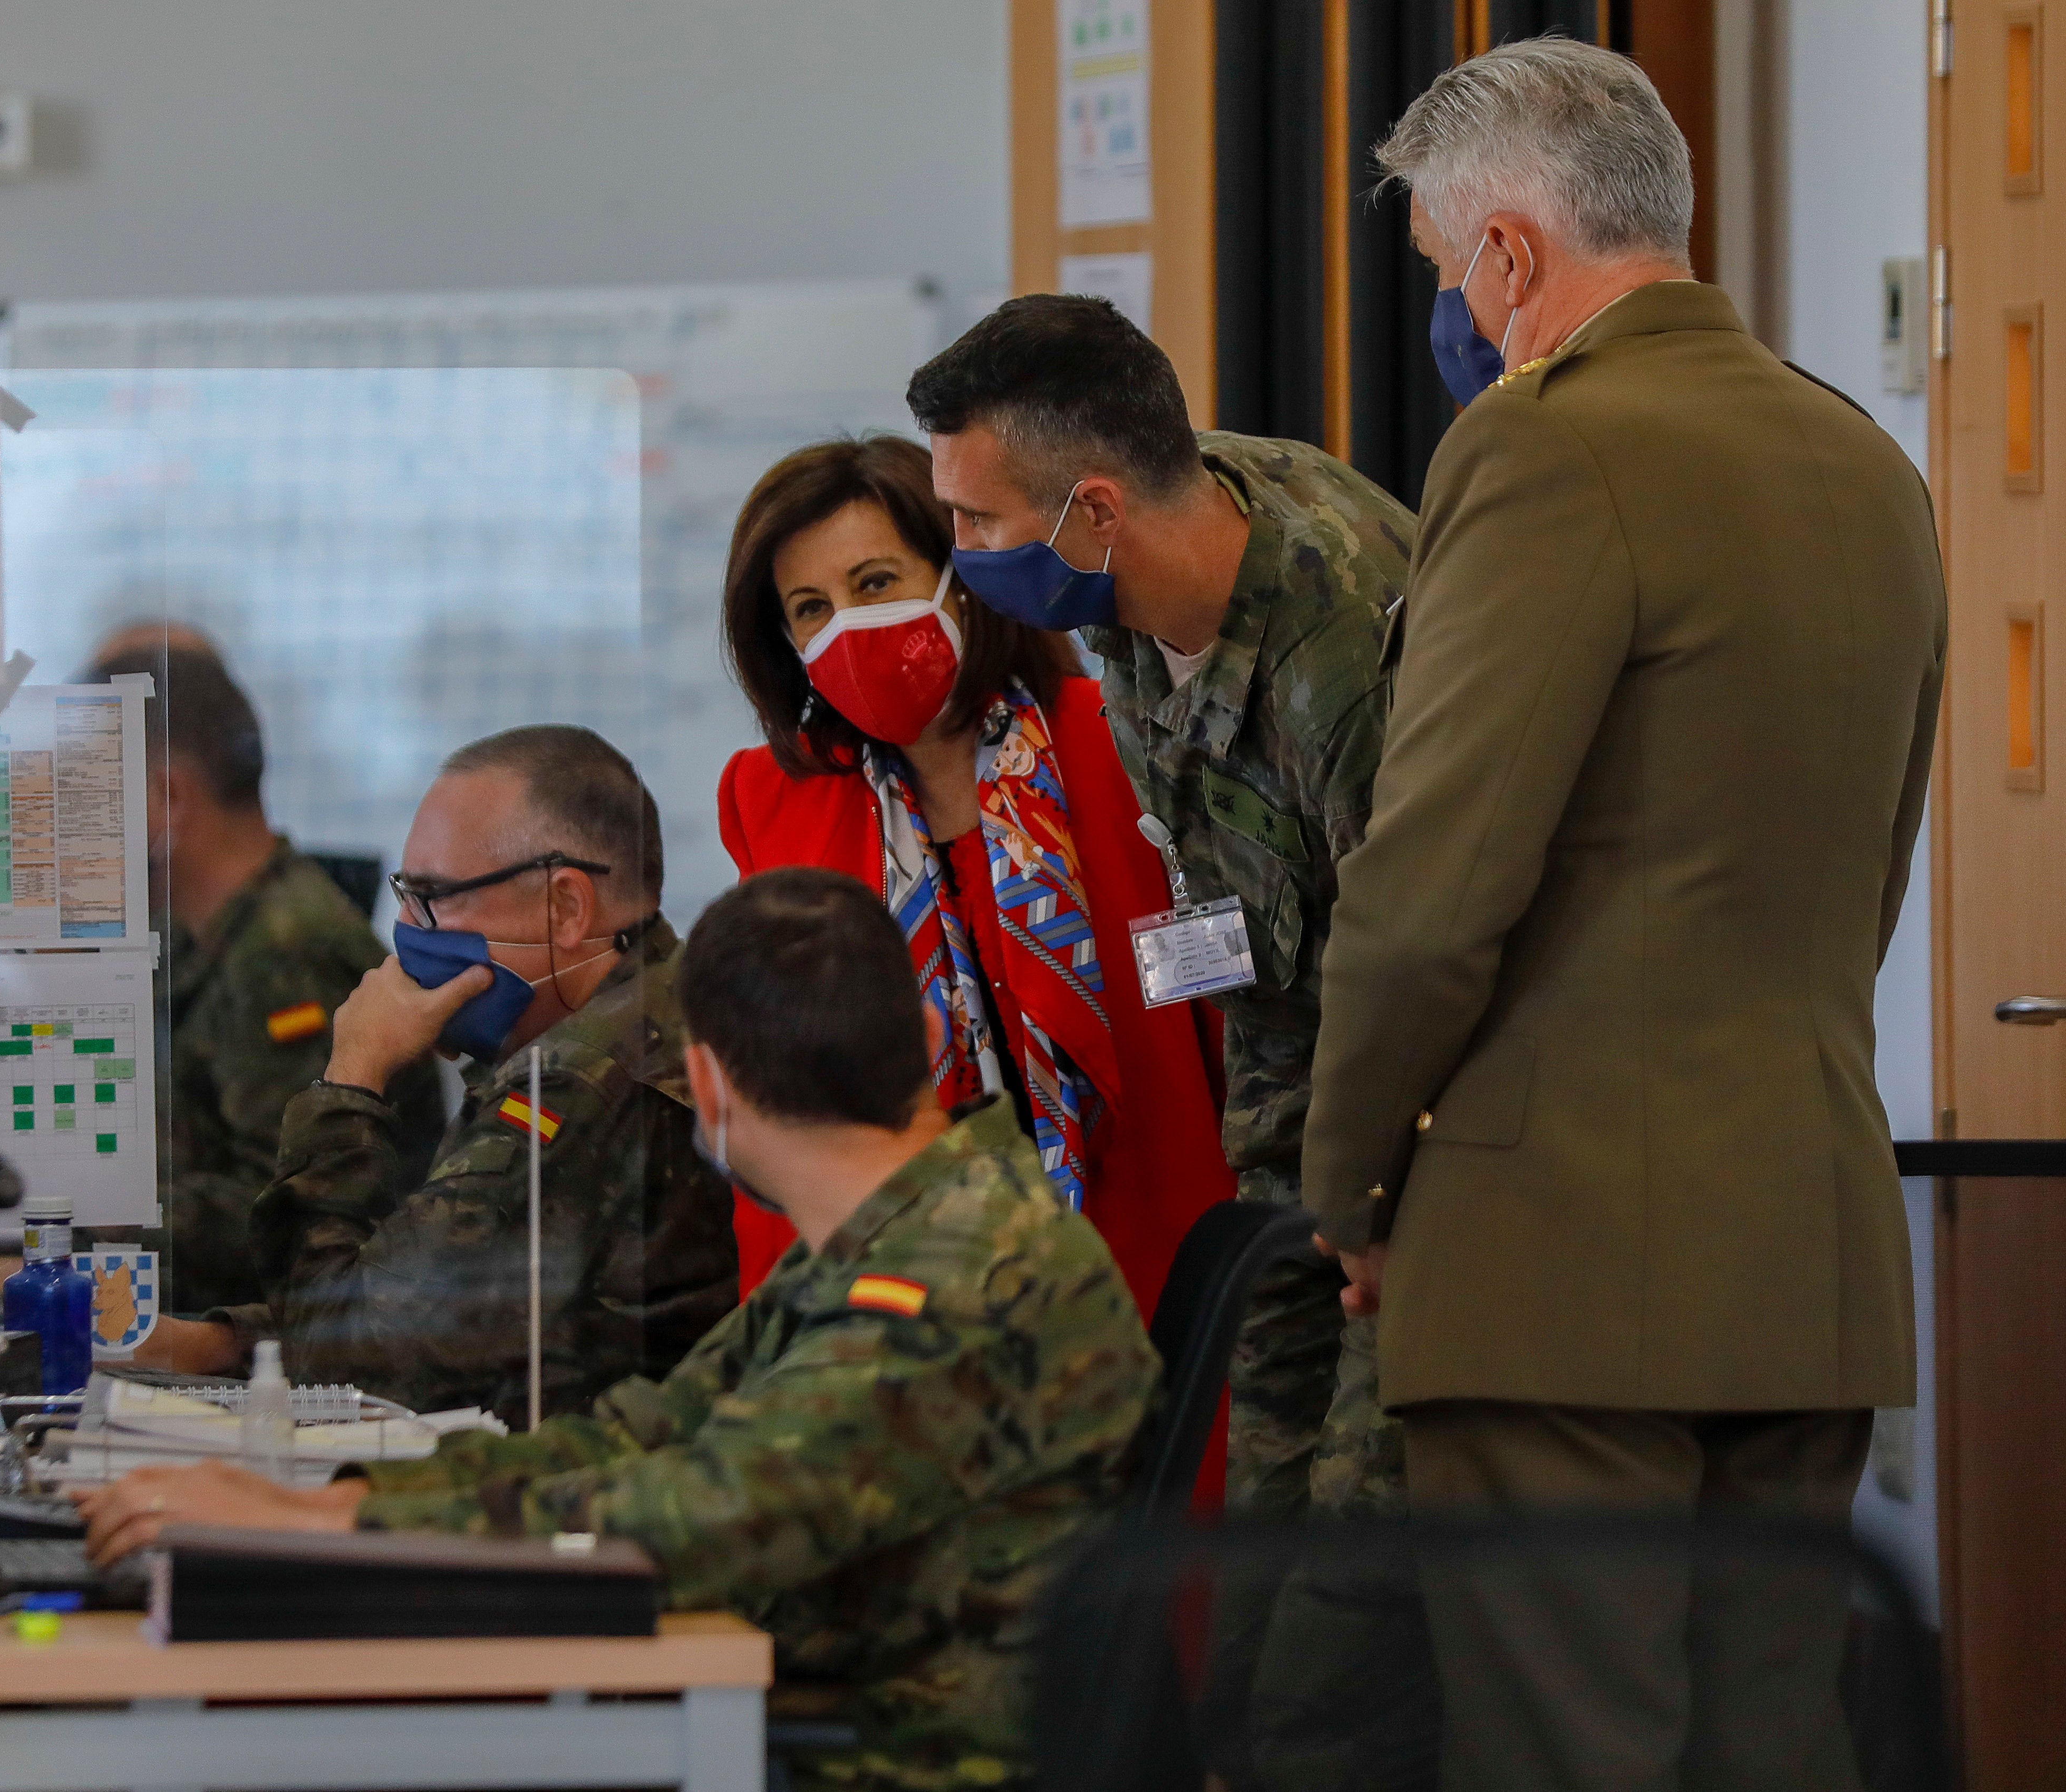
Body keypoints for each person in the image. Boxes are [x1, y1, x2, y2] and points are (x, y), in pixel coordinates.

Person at [1306, 40, 1944, 1790]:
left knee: (1564, 1754)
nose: (1456, 313)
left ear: (1511, 259)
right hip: (1804, 1239)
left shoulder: (1543, 446)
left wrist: (1355, 1186)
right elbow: (1870, 871)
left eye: (1449, 272)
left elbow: (1432, 889)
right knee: (1773, 1750)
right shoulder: (1864, 463)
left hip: (1559, 1251)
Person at [80, 866, 1161, 1791]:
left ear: (706, 1084)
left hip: (890, 1754)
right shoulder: (895, 1228)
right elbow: (641, 1434)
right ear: (927, 1035)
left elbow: (700, 1515)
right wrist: (327, 1503)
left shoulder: (953, 1274)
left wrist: (317, 1537)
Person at [908, 294, 1431, 1786]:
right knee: (1238, 1592)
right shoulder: (1129, 582)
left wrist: (1364, 1208)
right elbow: (1234, 926)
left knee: (1341, 1637)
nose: (961, 559)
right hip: (1286, 1163)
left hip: (1415, 1188)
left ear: (1089, 507)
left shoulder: (1349, 653)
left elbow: (1431, 966)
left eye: (971, 517)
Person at [713, 434, 1232, 1320]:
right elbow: (780, 1097)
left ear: (966, 576)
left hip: (1147, 1277)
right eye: (810, 608)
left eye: (875, 583)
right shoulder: (769, 802)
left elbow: (1229, 1026)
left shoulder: (1127, 742)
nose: (846, 626)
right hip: (903, 1306)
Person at [135, 725, 740, 1428]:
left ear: (567, 908)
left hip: (561, 1504)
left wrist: (352, 1078)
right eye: (405, 892)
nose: (406, 927)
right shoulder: (646, 1001)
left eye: (433, 896)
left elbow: (354, 1362)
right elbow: (421, 1299)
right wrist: (220, 1343)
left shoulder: (582, 1079)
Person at [78, 629, 445, 1313]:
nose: (73, 831)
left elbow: (288, 1212)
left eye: (88, 794)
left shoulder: (287, 950)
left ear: (166, 799)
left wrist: (91, 1204)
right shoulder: (199, 932)